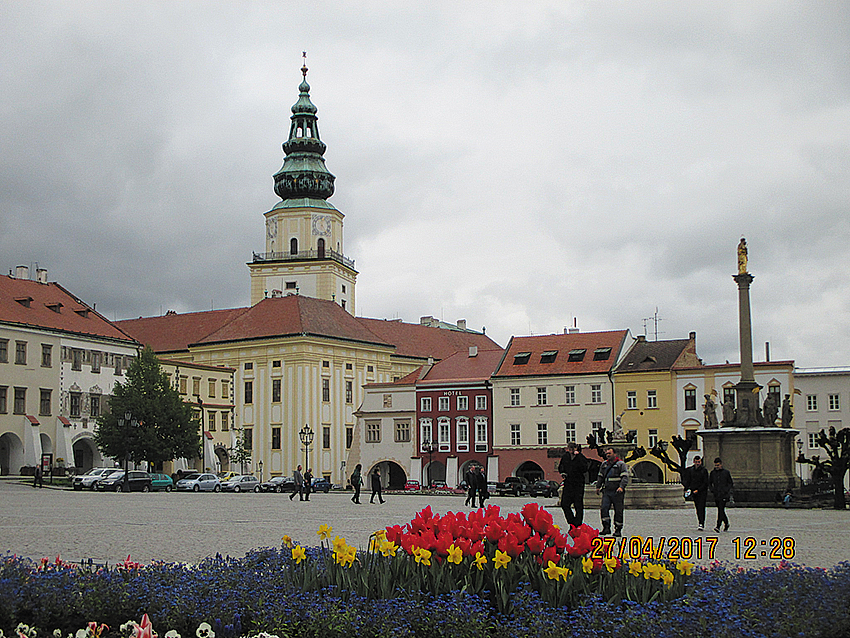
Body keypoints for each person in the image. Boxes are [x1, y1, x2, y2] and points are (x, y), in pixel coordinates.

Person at [595, 447, 629, 537]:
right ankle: (606, 527)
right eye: (607, 454)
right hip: (607, 490)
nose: (608, 455)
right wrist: (598, 487)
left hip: (617, 491)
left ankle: (618, 529)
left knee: (618, 511)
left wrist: (621, 487)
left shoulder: (620, 464)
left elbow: (625, 477)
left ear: (615, 454)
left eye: (609, 453)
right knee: (604, 508)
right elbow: (600, 476)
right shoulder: (604, 464)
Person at [558, 442, 588, 527]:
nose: (570, 450)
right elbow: (561, 467)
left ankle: (577, 524)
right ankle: (572, 522)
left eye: (572, 448)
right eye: (569, 448)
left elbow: (585, 468)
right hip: (568, 483)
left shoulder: (580, 457)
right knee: (564, 504)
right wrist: (563, 473)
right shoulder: (565, 457)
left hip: (578, 484)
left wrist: (579, 456)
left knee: (578, 505)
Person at [684, 455, 709, 530]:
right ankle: (700, 521)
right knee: (697, 508)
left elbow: (705, 482)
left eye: (699, 462)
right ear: (694, 462)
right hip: (694, 491)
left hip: (702, 492)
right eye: (696, 462)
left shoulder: (704, 470)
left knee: (701, 507)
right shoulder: (691, 470)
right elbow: (688, 480)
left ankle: (701, 523)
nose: (697, 463)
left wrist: (698, 490)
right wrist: (687, 488)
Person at [708, 457, 734, 533]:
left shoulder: (726, 472)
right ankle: (726, 523)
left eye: (718, 465)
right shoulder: (713, 473)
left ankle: (718, 526)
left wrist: (726, 490)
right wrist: (712, 490)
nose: (717, 467)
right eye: (716, 465)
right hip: (716, 494)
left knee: (720, 509)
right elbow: (710, 482)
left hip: (724, 494)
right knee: (720, 509)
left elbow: (730, 483)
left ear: (721, 464)